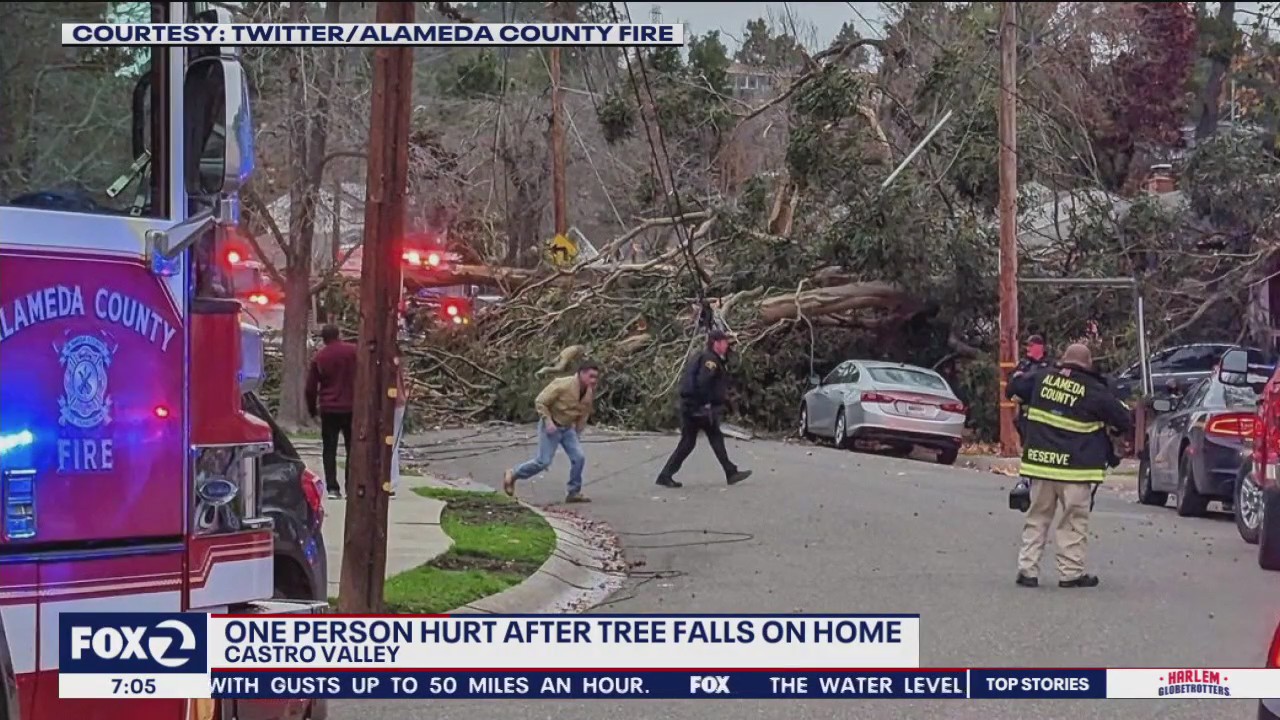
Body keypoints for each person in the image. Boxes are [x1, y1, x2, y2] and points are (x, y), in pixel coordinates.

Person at [1005, 343, 1132, 589]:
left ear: (1063, 361)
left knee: (1037, 518)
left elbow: (1014, 388)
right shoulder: (1095, 391)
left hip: (1040, 466)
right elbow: (1123, 420)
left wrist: (1019, 375)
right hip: (1076, 470)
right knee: (1073, 522)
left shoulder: (1041, 379)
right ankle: (1070, 574)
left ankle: (1027, 570)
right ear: (1088, 365)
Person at [655, 330, 753, 489]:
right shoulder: (710, 361)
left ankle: (666, 475)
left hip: (692, 406)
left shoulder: (706, 357)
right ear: (716, 343)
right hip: (698, 408)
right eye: (724, 342)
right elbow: (703, 383)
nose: (727, 345)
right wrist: (706, 403)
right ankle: (730, 472)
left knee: (703, 439)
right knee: (701, 439)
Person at [503, 360, 601, 504]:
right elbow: (540, 402)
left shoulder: (589, 391)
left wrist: (578, 431)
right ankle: (513, 473)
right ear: (581, 374)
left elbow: (584, 412)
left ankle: (573, 492)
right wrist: (548, 421)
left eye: (596, 377)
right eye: (591, 376)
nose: (593, 380)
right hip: (551, 425)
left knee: (579, 457)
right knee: (543, 462)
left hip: (568, 429)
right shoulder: (562, 385)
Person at [306, 324, 358, 499]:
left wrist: (312, 410)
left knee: (329, 449)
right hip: (352, 407)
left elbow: (311, 388)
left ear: (323, 338)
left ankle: (333, 488)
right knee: (353, 449)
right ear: (339, 334)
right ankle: (352, 486)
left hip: (329, 409)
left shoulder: (320, 357)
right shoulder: (354, 352)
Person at [389, 355, 408, 499]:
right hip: (398, 403)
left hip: (391, 404)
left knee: (390, 444)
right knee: (392, 443)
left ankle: (390, 480)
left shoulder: (387, 361)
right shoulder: (394, 359)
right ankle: (391, 480)